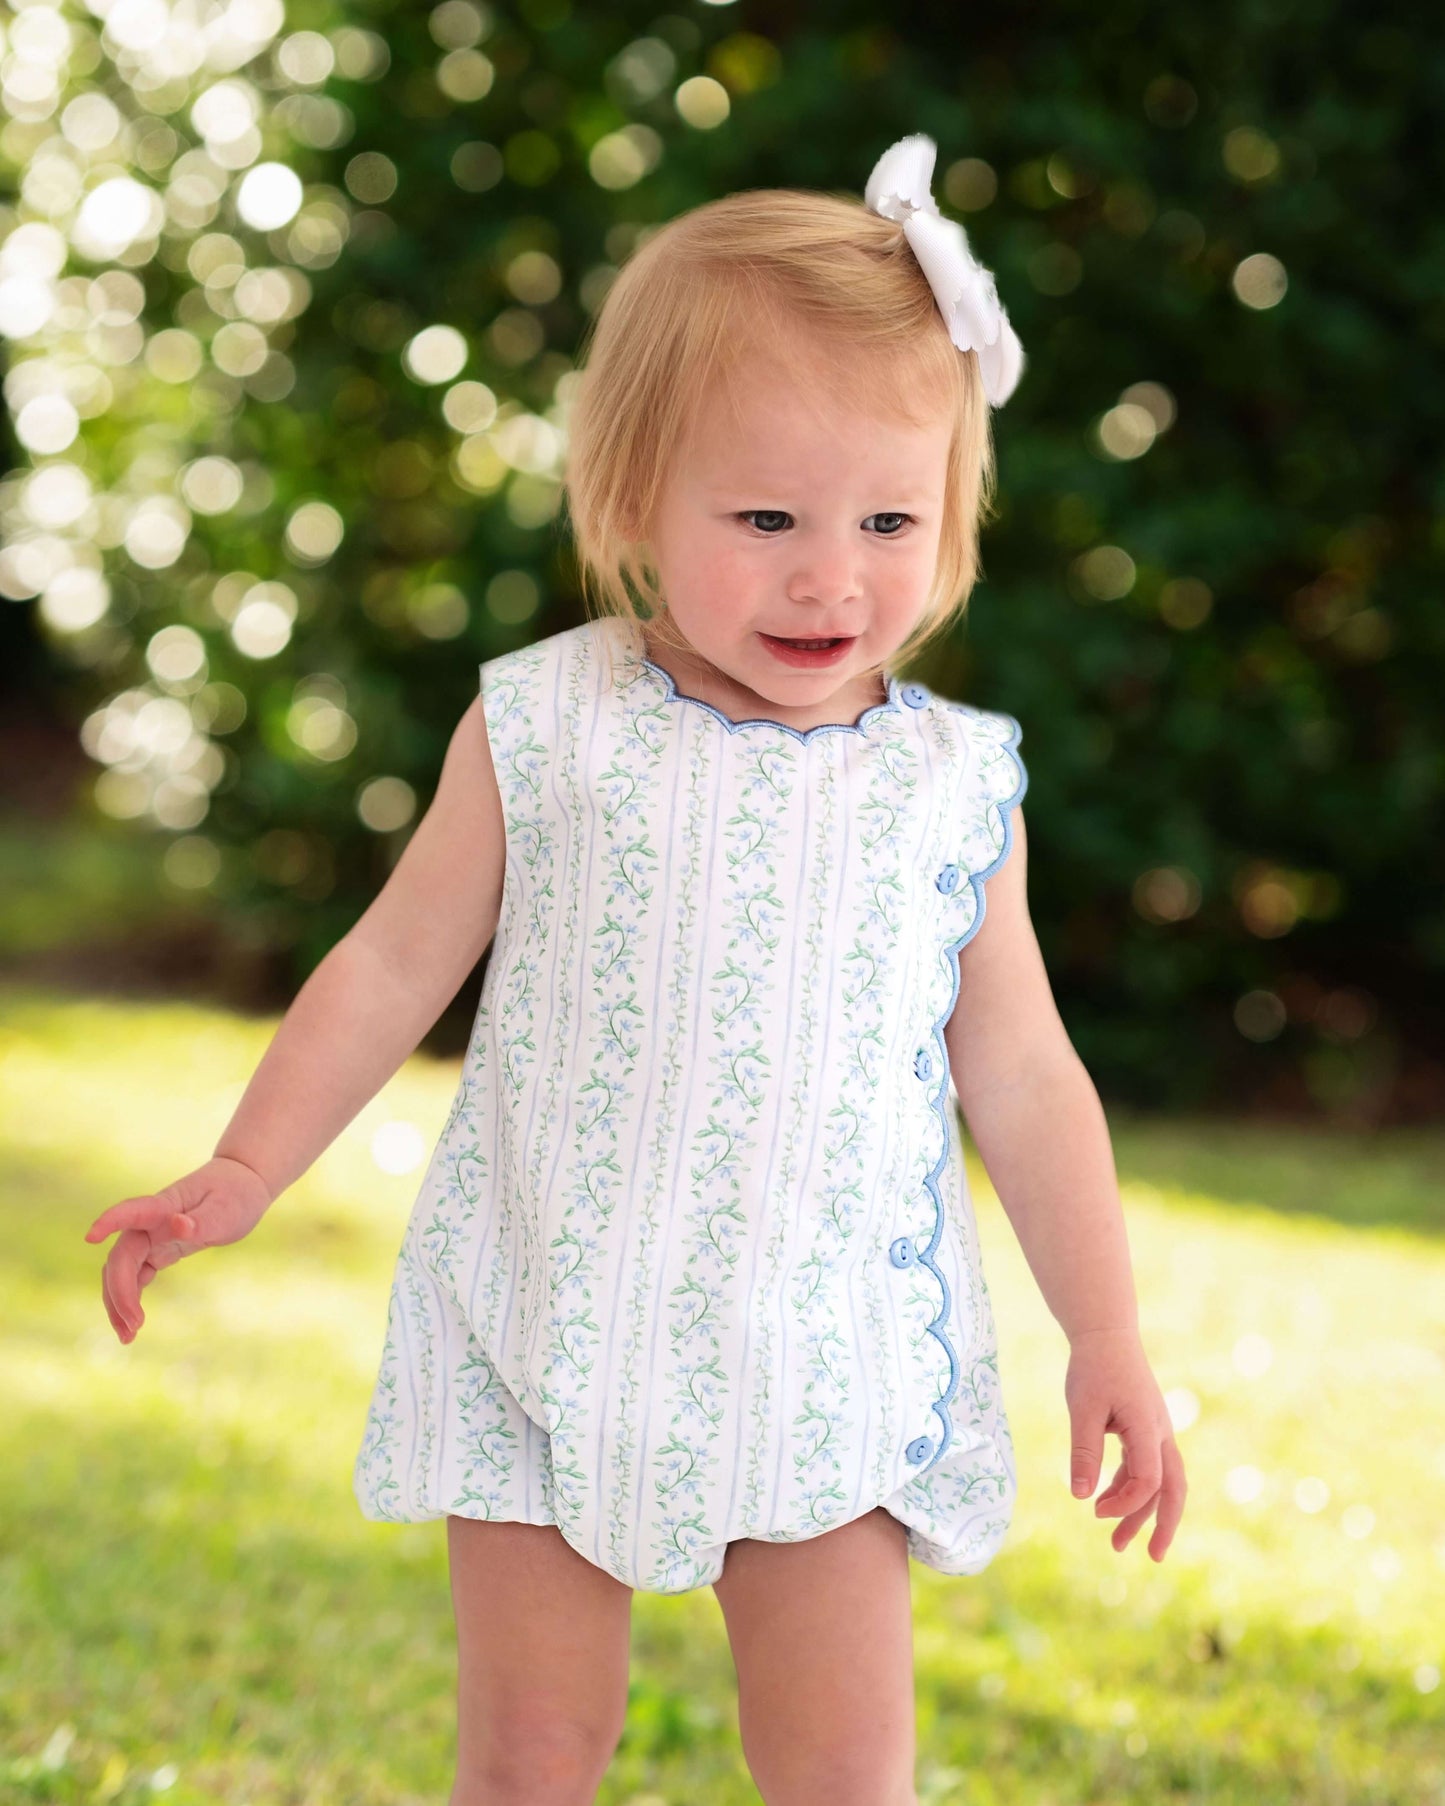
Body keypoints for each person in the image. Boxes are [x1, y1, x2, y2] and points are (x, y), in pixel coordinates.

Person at [85, 133, 1186, 1806]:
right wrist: (248, 1162)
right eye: (764, 516)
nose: (832, 573)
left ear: (955, 512)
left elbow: (1022, 1073)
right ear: (630, 501)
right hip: (542, 1311)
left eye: (890, 516)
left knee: (840, 1774)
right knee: (529, 1757)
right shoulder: (549, 724)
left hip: (817, 1341)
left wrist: (1101, 1327)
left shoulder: (947, 785)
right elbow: (390, 964)